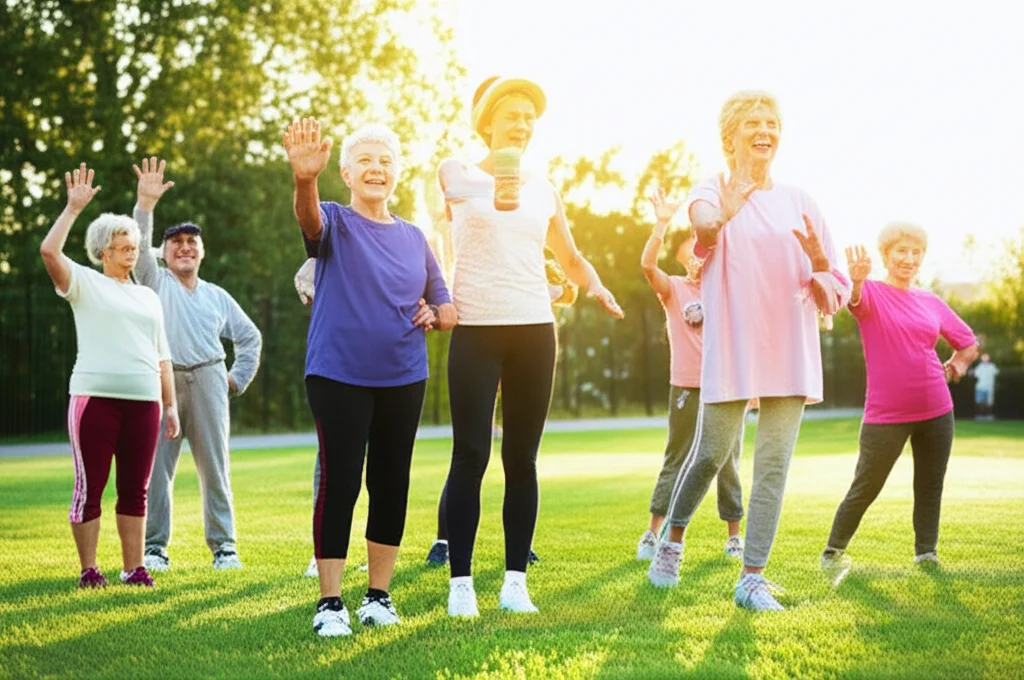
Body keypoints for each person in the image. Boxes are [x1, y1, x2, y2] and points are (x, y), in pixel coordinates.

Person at [647, 91, 850, 612]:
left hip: (790, 347)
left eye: (772, 123)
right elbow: (704, 226)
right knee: (712, 453)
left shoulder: (801, 200)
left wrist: (824, 265)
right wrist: (725, 214)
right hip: (734, 344)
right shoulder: (710, 188)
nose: (765, 131)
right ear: (730, 135)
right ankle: (671, 538)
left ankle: (752, 577)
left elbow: (836, 285)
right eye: (753, 123)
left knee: (773, 466)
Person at [438, 76, 623, 618]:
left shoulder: (545, 189)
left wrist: (595, 285)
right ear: (487, 122)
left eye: (528, 118)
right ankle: (461, 584)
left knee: (522, 459)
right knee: (470, 455)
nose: (521, 125)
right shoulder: (457, 171)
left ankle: (515, 581)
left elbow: (568, 257)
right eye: (511, 115)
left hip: (534, 331)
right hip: (475, 329)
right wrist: (499, 178)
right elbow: (462, 198)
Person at [284, 117, 457, 637]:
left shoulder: (414, 237)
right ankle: (330, 603)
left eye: (385, 162)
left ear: (396, 173)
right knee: (340, 484)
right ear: (346, 173)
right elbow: (309, 221)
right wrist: (303, 179)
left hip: (403, 375)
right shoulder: (334, 220)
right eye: (366, 162)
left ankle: (379, 596)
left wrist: (435, 313)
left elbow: (447, 307)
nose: (376, 169)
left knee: (390, 483)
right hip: (338, 374)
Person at [39, 162, 180, 589]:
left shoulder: (147, 297)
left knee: (135, 490)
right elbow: (49, 252)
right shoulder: (83, 283)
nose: (132, 252)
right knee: (91, 488)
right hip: (94, 401)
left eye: (135, 245)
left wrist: (170, 405)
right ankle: (89, 570)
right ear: (103, 251)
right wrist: (72, 209)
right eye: (122, 246)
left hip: (145, 404)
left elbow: (163, 357)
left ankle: (134, 568)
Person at [130, 157, 264, 573]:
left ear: (201, 252)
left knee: (215, 470)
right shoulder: (154, 281)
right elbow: (139, 249)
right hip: (162, 381)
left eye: (192, 242)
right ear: (165, 253)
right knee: (156, 471)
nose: (185, 247)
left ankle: (224, 548)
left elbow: (250, 338)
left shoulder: (217, 296)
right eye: (177, 243)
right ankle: (155, 548)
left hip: (209, 379)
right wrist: (145, 206)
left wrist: (234, 380)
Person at [820, 226, 978, 577]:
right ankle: (833, 551)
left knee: (929, 485)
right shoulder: (872, 292)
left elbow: (967, 343)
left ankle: (926, 553)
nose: (909, 259)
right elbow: (855, 303)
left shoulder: (931, 301)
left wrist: (957, 366)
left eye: (916, 252)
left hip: (937, 410)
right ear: (886, 255)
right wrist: (858, 281)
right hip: (886, 415)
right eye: (901, 252)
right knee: (866, 484)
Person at [425, 252, 578, 568]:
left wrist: (555, 292)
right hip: (484, 344)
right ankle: (444, 541)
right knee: (470, 454)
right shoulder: (484, 256)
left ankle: (522, 545)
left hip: (526, 350)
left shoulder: (541, 257)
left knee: (521, 457)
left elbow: (571, 289)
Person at [635, 189, 743, 562]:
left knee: (727, 461)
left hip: (727, 384)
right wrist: (662, 221)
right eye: (690, 256)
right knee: (677, 458)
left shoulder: (727, 291)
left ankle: (734, 536)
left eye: (703, 253)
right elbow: (648, 267)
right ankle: (652, 533)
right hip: (686, 385)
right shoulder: (675, 289)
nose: (697, 261)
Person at [972, 354, 999, 420]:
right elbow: (975, 374)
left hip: (989, 388)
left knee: (989, 403)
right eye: (984, 358)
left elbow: (997, 372)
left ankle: (988, 415)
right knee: (980, 402)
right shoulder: (980, 367)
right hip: (980, 387)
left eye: (987, 358)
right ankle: (980, 415)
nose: (985, 359)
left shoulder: (992, 366)